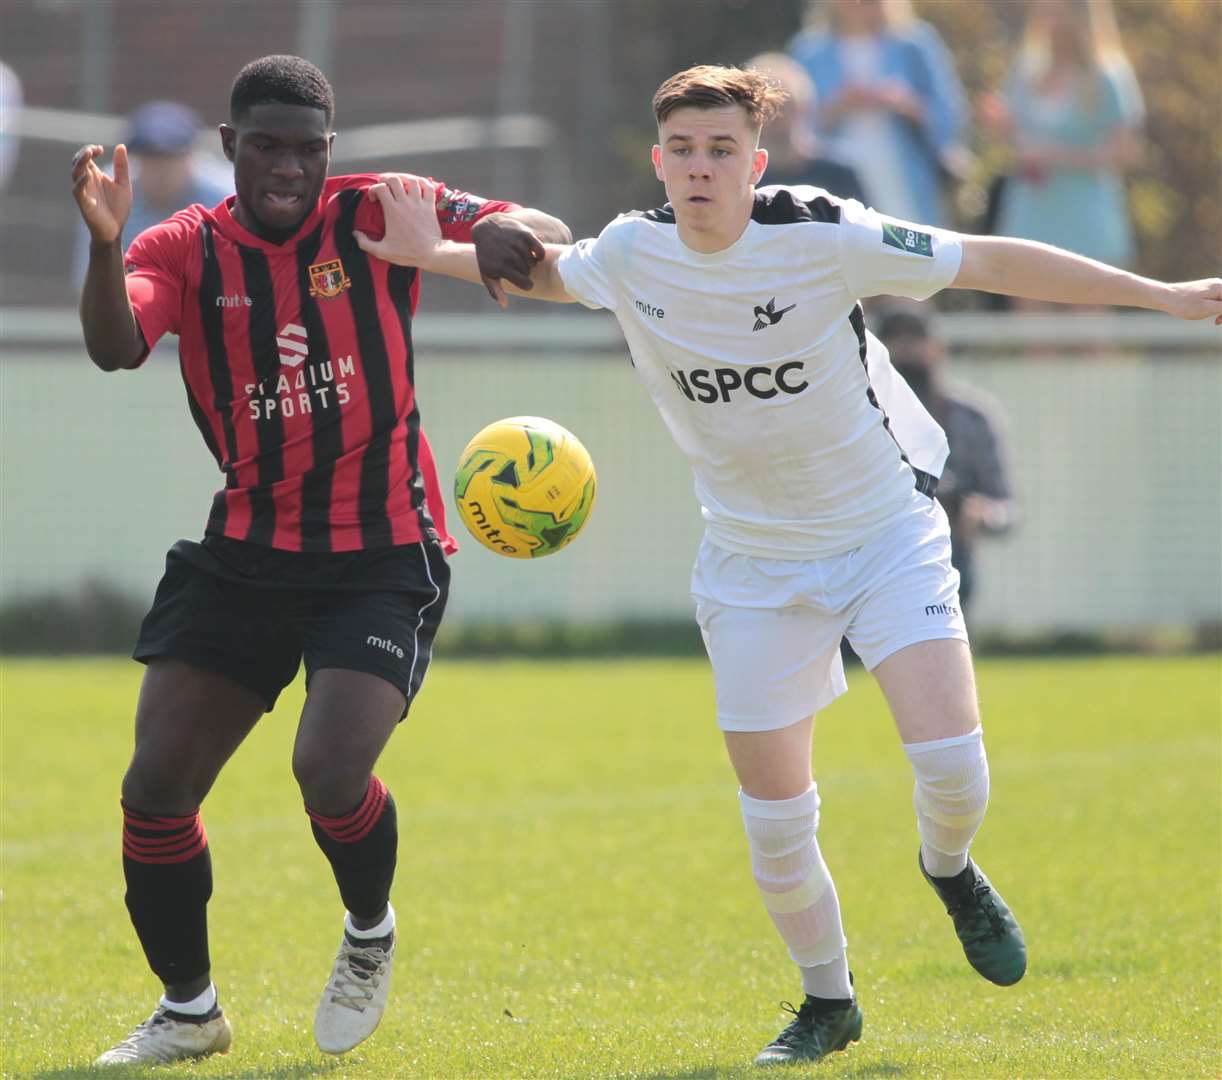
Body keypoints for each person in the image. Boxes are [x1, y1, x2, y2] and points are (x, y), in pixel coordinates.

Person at [356, 65, 1222, 1067]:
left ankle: (949, 869)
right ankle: (828, 1003)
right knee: (773, 822)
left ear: (754, 162)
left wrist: (1156, 295)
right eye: (681, 150)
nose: (699, 168)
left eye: (721, 150)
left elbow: (986, 258)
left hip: (884, 531)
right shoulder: (634, 253)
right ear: (657, 161)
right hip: (751, 559)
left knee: (951, 769)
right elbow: (548, 273)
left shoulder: (819, 232)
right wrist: (431, 252)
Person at [70, 54, 570, 1066]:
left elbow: (542, 231)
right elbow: (117, 345)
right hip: (246, 550)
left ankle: (368, 933)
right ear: (231, 149)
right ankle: (188, 1011)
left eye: (307, 148)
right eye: (268, 147)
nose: (288, 167)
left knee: (328, 770)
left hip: (382, 547)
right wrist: (102, 245)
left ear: (329, 151)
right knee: (156, 787)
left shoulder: (377, 213)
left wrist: (509, 234)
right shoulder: (185, 246)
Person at [979, 0, 1143, 279]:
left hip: (1086, 213)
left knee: (1084, 308)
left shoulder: (1107, 76)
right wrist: (1003, 128)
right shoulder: (1026, 70)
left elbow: (1127, 152)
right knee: (1030, 305)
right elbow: (1016, 139)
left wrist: (1058, 155)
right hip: (1031, 209)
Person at [875, 306, 1015, 616]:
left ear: (937, 348)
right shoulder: (857, 418)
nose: (907, 351)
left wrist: (980, 513)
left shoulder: (973, 418)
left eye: (915, 340)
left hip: (946, 557)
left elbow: (1005, 506)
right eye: (896, 343)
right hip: (869, 556)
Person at [787, 0, 968, 227]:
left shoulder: (913, 43)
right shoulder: (808, 50)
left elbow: (949, 116)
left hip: (906, 175)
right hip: (837, 179)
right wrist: (838, 106)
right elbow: (794, 126)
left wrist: (905, 104)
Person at [72, 101, 233, 290]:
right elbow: (93, 285)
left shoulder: (226, 197)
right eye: (150, 159)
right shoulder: (107, 196)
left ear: (191, 157)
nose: (160, 172)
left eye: (168, 159)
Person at [745, 51, 865, 203]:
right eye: (765, 109)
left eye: (784, 107)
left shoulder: (838, 173)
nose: (775, 118)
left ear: (804, 107)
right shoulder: (743, 178)